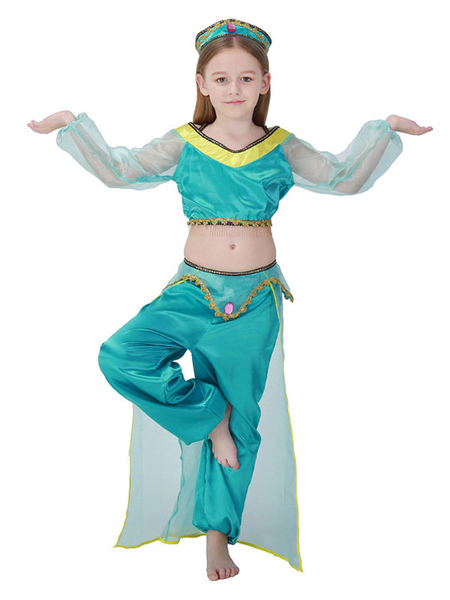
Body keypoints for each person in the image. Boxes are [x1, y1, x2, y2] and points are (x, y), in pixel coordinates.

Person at [28, 18, 432, 582]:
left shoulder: (281, 146)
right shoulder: (184, 142)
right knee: (121, 355)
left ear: (265, 82)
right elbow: (121, 171)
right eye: (221, 79)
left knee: (243, 426)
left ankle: (217, 537)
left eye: (246, 77)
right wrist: (72, 126)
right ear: (202, 84)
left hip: (255, 299)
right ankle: (207, 412)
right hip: (194, 290)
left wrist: (385, 130)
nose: (234, 88)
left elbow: (341, 178)